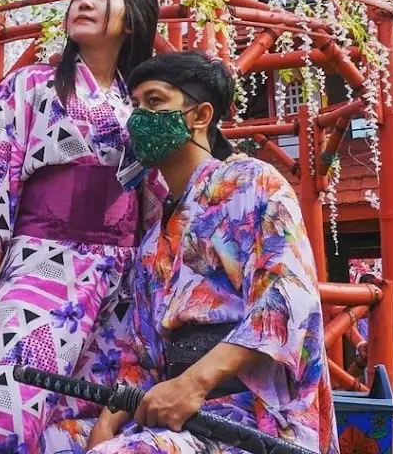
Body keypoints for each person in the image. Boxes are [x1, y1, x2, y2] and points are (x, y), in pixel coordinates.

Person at [0, 0, 163, 454]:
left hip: (122, 277)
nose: (82, 1)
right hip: (43, 258)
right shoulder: (29, 86)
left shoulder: (142, 103)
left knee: (84, 419)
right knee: (13, 409)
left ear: (131, 21)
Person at [86, 51, 339, 454]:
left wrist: (193, 383)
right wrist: (106, 422)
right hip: (172, 411)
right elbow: (141, 350)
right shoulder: (154, 229)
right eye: (134, 106)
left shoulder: (254, 181)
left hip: (248, 415)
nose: (138, 119)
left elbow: (287, 300)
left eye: (154, 102)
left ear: (200, 115)